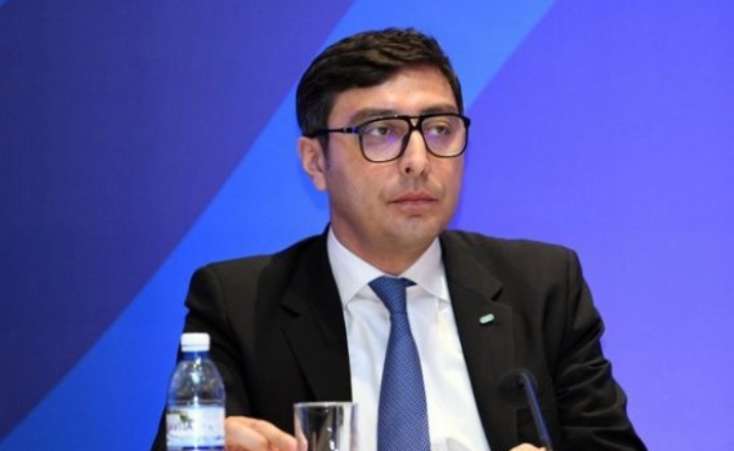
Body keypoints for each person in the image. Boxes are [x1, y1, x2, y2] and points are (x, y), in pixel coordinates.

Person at [153, 28, 646, 451]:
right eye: (381, 131)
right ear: (315, 162)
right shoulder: (239, 305)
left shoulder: (540, 287)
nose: (417, 160)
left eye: (439, 129)